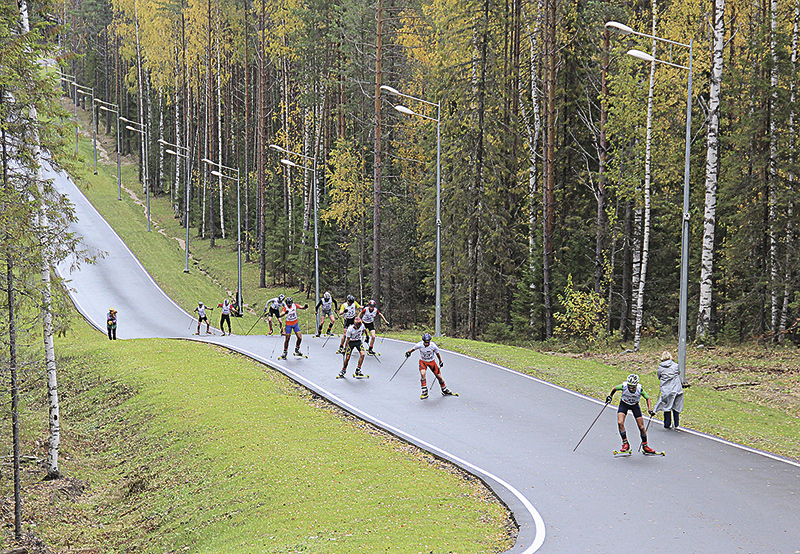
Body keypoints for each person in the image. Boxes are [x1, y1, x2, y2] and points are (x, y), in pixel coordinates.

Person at [606, 374, 656, 454]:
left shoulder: (640, 389)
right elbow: (614, 388)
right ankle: (625, 443)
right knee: (620, 422)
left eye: (633, 387)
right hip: (624, 404)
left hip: (635, 405)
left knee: (642, 427)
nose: (631, 388)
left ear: (636, 385)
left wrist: (649, 409)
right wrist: (610, 396)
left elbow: (647, 398)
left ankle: (645, 445)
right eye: (629, 386)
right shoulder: (624, 386)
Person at [404, 332, 457, 399]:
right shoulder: (419, 345)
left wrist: (440, 361)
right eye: (425, 342)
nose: (426, 344)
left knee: (439, 377)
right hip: (423, 362)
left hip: (432, 362)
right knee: (422, 374)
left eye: (428, 342)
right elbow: (413, 349)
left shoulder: (433, 346)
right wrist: (408, 353)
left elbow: (437, 354)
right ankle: (424, 391)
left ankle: (444, 389)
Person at [654, 351, 684, 429]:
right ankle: (676, 424)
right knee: (676, 405)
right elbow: (679, 372)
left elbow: (659, 376)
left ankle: (667, 423)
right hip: (676, 388)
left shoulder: (660, 367)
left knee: (667, 405)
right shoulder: (676, 365)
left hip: (666, 389)